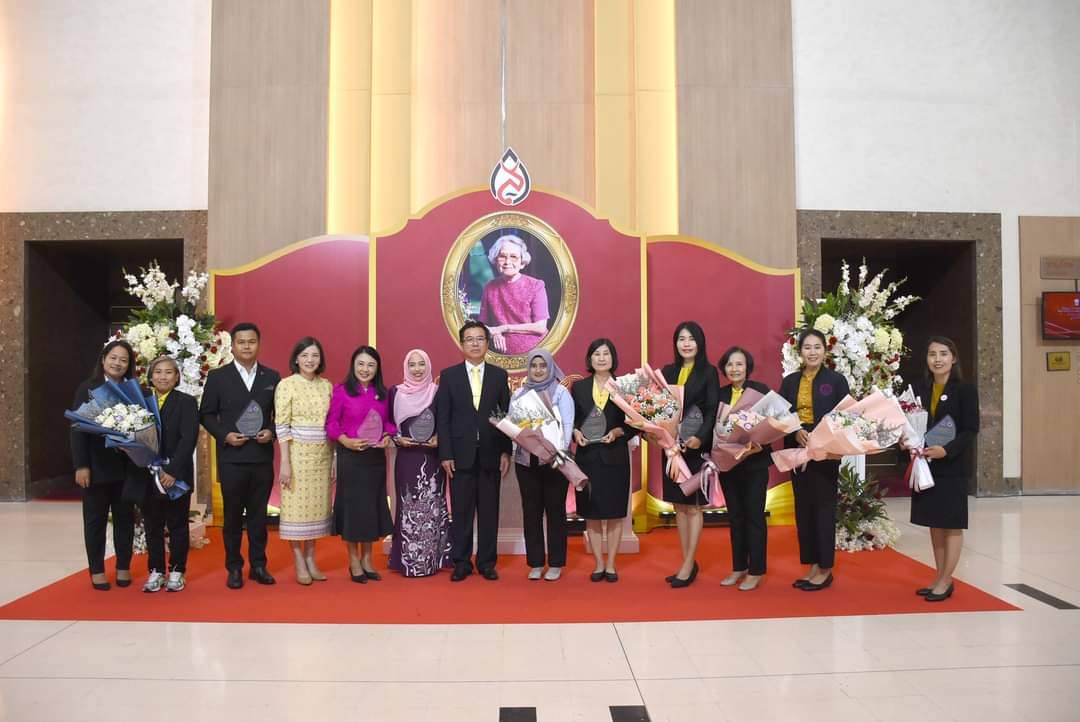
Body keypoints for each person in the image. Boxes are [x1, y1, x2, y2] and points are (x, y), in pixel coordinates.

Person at [199, 322, 280, 590]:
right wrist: (224, 436)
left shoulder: (272, 377)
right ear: (232, 346)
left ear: (259, 344)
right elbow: (206, 414)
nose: (246, 346)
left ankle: (258, 565)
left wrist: (271, 432)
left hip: (261, 457)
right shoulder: (218, 377)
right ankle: (234, 567)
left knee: (258, 516)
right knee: (232, 517)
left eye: (251, 341)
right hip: (231, 457)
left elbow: (280, 415)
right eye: (241, 342)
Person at [436, 321, 512, 582]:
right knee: (461, 512)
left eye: (480, 338)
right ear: (462, 344)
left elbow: (505, 417)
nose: (475, 343)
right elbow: (443, 419)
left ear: (487, 343)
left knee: (489, 512)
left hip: (491, 454)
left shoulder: (499, 376)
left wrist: (506, 451)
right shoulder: (449, 376)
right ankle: (461, 562)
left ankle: (487, 562)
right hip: (460, 456)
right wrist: (446, 454)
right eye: (470, 339)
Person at [908, 336, 980, 602]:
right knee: (935, 524)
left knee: (951, 524)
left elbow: (970, 429)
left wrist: (947, 450)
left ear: (954, 358)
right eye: (932, 354)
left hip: (951, 466)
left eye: (943, 353)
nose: (937, 359)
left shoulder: (965, 390)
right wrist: (909, 442)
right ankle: (939, 577)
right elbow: (910, 423)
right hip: (926, 465)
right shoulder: (919, 389)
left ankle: (947, 579)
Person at [778, 328, 850, 592]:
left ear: (825, 350)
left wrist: (822, 436)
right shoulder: (790, 381)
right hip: (798, 449)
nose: (812, 352)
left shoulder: (836, 380)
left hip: (825, 452)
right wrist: (795, 431)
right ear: (800, 352)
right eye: (807, 347)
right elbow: (781, 414)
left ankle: (825, 568)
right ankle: (812, 565)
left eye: (817, 347)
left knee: (823, 508)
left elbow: (845, 417)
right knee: (804, 509)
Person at [70, 340, 138, 591]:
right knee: (95, 521)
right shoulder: (88, 388)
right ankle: (97, 570)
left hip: (127, 466)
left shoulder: (134, 390)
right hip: (96, 466)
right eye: (113, 358)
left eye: (124, 360)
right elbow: (77, 429)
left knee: (125, 520)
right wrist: (81, 465)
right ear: (103, 359)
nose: (118, 363)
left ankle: (123, 567)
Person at [326, 345, 395, 583]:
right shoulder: (341, 391)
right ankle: (354, 561)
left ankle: (367, 560)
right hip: (351, 459)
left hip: (374, 460)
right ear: (353, 366)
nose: (365, 369)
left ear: (377, 368)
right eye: (361, 364)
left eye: (371, 365)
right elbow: (331, 424)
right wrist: (346, 441)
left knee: (371, 511)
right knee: (354, 512)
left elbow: (389, 423)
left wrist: (387, 435)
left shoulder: (383, 393)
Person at [571, 338, 636, 583]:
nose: (601, 358)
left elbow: (635, 423)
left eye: (605, 353)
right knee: (592, 513)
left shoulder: (624, 386)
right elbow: (573, 420)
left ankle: (611, 564)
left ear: (613, 358)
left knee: (615, 513)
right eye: (596, 354)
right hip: (587, 458)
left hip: (615, 457)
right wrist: (575, 433)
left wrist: (619, 432)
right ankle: (599, 563)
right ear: (590, 358)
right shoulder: (579, 387)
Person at [661, 321, 720, 588]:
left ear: (700, 342)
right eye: (681, 339)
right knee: (679, 506)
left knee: (694, 505)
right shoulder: (667, 371)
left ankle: (687, 564)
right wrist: (660, 433)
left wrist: (700, 438)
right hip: (672, 448)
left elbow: (711, 409)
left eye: (691, 339)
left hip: (695, 447)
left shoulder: (708, 372)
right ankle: (687, 561)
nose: (686, 344)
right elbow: (659, 408)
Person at [275, 337, 334, 585]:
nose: (310, 360)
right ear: (296, 359)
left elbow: (332, 424)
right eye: (305, 355)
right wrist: (285, 463)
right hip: (297, 456)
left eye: (315, 355)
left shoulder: (327, 386)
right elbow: (281, 425)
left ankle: (311, 557)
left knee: (316, 509)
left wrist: (334, 458)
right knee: (296, 510)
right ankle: (298, 559)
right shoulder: (286, 385)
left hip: (323, 455)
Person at [388, 349, 451, 577]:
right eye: (412, 365)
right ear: (406, 367)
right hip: (407, 458)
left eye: (421, 364)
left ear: (428, 366)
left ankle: (430, 561)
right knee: (407, 507)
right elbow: (388, 424)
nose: (417, 369)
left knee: (432, 508)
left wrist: (440, 438)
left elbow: (445, 421)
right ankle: (407, 562)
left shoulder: (437, 391)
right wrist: (397, 438)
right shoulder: (395, 393)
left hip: (431, 459)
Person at [513, 349, 574, 581]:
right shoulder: (519, 394)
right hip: (526, 462)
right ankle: (536, 563)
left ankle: (556, 563)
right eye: (534, 366)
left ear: (550, 367)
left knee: (555, 512)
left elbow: (567, 426)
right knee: (531, 512)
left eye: (543, 366)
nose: (538, 370)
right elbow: (513, 426)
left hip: (554, 462)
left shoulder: (560, 393)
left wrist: (559, 452)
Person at [140, 356, 199, 593]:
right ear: (150, 376)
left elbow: (189, 438)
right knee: (152, 525)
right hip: (148, 474)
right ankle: (156, 570)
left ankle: (177, 570)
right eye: (158, 372)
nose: (163, 377)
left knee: (177, 524)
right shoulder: (141, 402)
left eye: (168, 372)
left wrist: (172, 470)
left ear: (177, 377)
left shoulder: (186, 402)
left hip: (177, 475)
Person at [716, 346, 772, 592]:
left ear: (747, 367)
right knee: (735, 517)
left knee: (754, 516)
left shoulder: (760, 392)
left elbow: (775, 421)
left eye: (739, 364)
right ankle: (739, 567)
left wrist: (761, 443)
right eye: (730, 364)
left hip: (754, 464)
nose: (734, 369)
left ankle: (756, 570)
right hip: (729, 465)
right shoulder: (720, 394)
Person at [477, 234, 549, 354]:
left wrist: (504, 328)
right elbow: (482, 325)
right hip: (502, 355)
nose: (507, 262)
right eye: (502, 256)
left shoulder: (536, 285)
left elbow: (540, 327)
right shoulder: (489, 287)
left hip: (536, 353)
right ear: (495, 260)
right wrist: (494, 333)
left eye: (514, 257)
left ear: (522, 262)